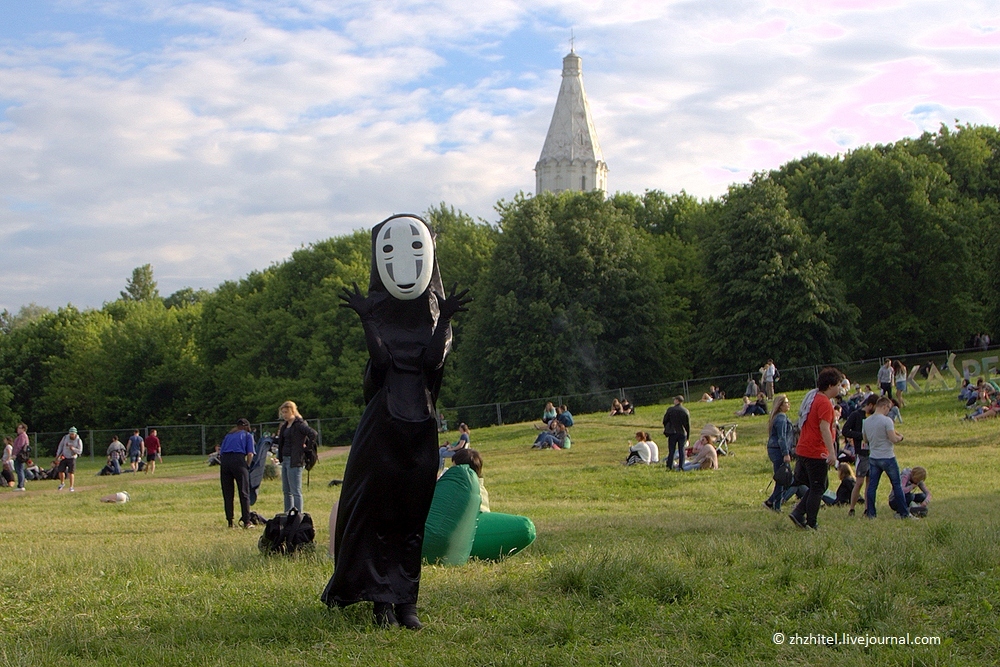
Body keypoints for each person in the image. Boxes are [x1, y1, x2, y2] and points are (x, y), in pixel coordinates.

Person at [323, 214, 470, 631]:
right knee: (377, 515)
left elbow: (432, 361)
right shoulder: (381, 315)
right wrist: (367, 320)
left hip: (418, 430)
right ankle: (380, 603)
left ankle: (405, 601)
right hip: (382, 432)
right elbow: (382, 363)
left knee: (410, 520)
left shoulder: (432, 318)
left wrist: (444, 317)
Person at [788, 367, 844, 530]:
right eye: (838, 385)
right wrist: (831, 453)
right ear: (830, 385)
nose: (839, 388)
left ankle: (799, 511)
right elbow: (824, 428)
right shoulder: (824, 403)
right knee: (818, 487)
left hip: (804, 449)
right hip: (815, 450)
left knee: (818, 485)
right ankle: (810, 521)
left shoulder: (813, 399)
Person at [863, 396, 910, 519]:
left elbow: (865, 439)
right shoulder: (887, 421)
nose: (889, 411)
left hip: (873, 457)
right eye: (888, 408)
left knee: (872, 486)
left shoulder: (866, 421)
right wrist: (900, 437)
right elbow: (893, 439)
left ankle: (871, 513)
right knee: (896, 485)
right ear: (884, 406)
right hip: (887, 456)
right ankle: (904, 512)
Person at [275, 401, 319, 513]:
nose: (284, 415)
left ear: (293, 411)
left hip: (295, 459)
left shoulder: (299, 424)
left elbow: (313, 433)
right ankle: (287, 513)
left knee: (295, 490)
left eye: (286, 412)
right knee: (286, 490)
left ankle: (298, 514)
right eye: (283, 412)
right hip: (285, 459)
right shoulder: (285, 426)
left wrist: (306, 448)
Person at [844, 395, 877, 516]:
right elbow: (845, 430)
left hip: (873, 452)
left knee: (870, 482)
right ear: (870, 405)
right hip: (861, 453)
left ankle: (868, 508)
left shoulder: (875, 417)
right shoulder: (856, 415)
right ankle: (852, 507)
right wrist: (861, 436)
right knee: (859, 482)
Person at [219, 418, 255, 528]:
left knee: (228, 493)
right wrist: (247, 465)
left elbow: (221, 453)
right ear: (247, 427)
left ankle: (230, 521)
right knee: (244, 492)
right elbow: (250, 454)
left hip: (225, 462)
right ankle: (247, 521)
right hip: (238, 461)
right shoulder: (248, 435)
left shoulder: (228, 435)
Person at [764, 394, 794, 512]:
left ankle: (773, 502)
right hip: (778, 450)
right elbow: (782, 438)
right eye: (786, 402)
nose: (788, 404)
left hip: (774, 449)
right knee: (783, 478)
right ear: (780, 406)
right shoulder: (781, 418)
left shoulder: (777, 417)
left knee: (781, 478)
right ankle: (774, 504)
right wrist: (786, 453)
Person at [663, 395, 690, 471]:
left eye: (675, 399)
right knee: (681, 450)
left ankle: (669, 466)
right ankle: (681, 466)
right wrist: (687, 436)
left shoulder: (670, 410)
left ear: (677, 401)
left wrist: (667, 427)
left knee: (671, 450)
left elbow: (665, 420)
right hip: (682, 432)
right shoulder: (685, 411)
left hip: (672, 432)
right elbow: (687, 425)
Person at [55, 426, 84, 492]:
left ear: (75, 434)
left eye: (73, 434)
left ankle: (71, 487)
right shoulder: (65, 437)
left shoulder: (78, 440)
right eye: (70, 434)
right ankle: (62, 483)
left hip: (72, 457)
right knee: (60, 470)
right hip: (64, 456)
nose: (71, 435)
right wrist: (57, 455)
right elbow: (61, 446)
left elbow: (80, 451)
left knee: (71, 472)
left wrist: (73, 449)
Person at [12, 423, 29, 491]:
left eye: (19, 428)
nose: (18, 429)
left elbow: (19, 446)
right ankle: (21, 484)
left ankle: (20, 485)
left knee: (19, 469)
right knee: (19, 469)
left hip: (19, 455)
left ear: (23, 429)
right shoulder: (22, 436)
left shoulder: (22, 436)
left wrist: (15, 454)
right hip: (20, 455)